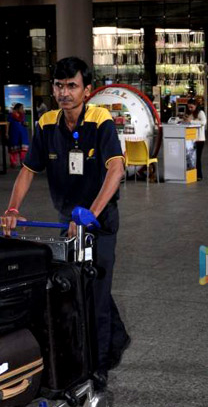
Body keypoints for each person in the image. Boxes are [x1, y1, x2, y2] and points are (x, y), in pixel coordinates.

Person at [2, 56, 130, 386]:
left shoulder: (100, 121)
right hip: (67, 221)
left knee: (96, 295)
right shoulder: (46, 124)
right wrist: (13, 209)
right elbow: (27, 172)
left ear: (87, 90)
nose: (64, 93)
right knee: (79, 285)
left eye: (72, 86)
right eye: (59, 86)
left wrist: (92, 214)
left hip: (99, 220)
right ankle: (116, 340)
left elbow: (116, 169)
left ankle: (98, 369)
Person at [182, 97, 206, 180]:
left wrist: (191, 121)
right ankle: (192, 174)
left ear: (196, 106)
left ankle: (199, 175)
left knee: (197, 158)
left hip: (199, 139)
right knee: (191, 157)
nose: (190, 109)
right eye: (188, 107)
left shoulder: (200, 113)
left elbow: (203, 122)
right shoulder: (190, 113)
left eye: (191, 107)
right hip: (191, 138)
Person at [8, 103, 29, 168]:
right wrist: (6, 133)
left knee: (23, 149)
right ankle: (13, 163)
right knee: (14, 149)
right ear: (17, 109)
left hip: (23, 134)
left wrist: (26, 124)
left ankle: (23, 162)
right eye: (21, 108)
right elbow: (8, 124)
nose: (23, 109)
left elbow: (25, 122)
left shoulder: (23, 115)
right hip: (14, 134)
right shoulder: (11, 115)